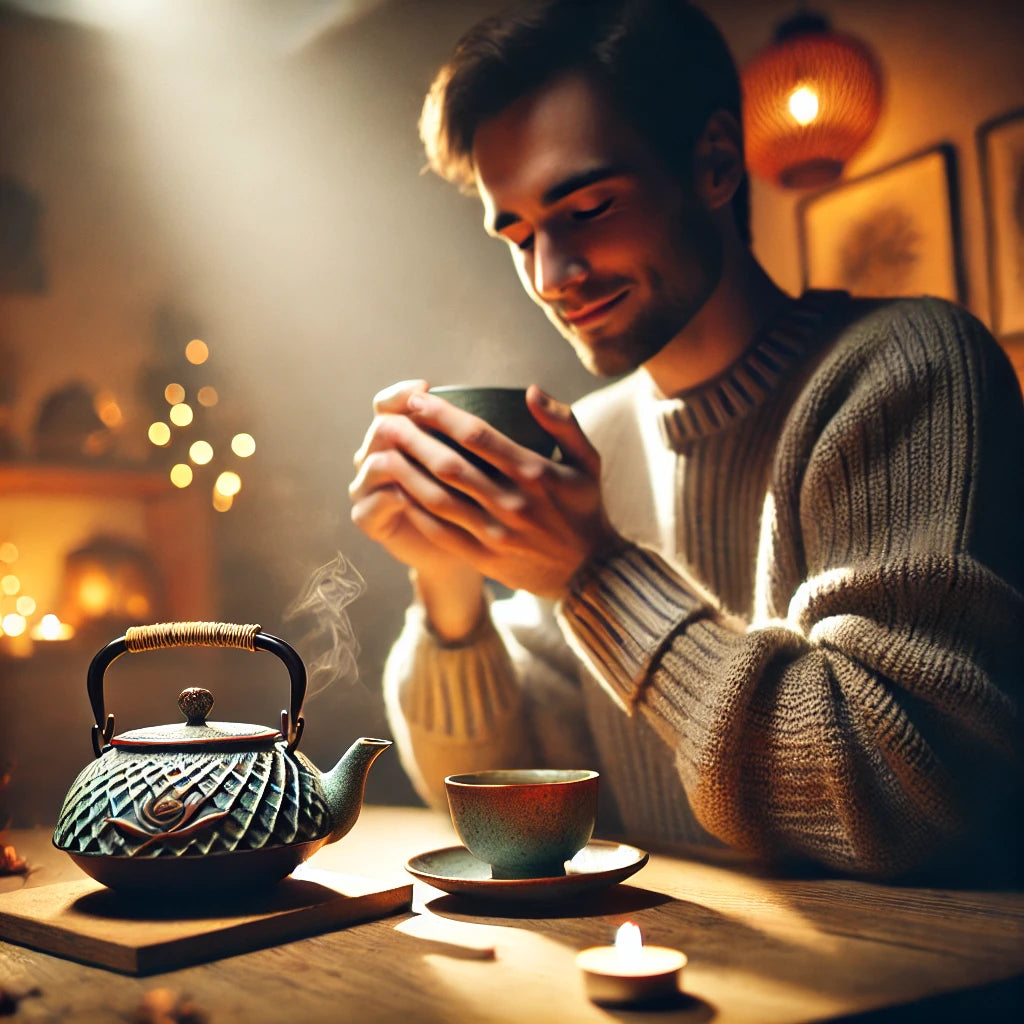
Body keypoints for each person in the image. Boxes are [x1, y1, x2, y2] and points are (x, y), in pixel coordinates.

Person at [349, 0, 1023, 879]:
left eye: (586, 208)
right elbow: (491, 797)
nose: (551, 277)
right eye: (517, 234)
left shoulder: (903, 366)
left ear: (712, 164)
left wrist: (592, 574)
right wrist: (445, 574)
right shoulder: (590, 436)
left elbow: (908, 794)